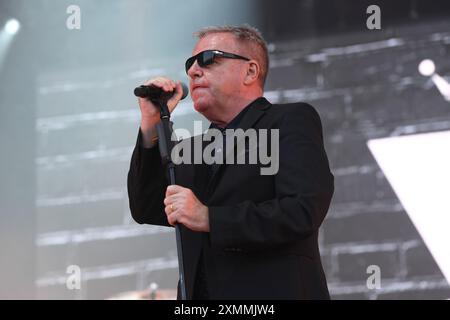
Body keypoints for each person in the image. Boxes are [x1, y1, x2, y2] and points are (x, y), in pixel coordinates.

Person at [127, 25, 334, 300]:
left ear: (250, 71)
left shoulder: (289, 120)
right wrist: (152, 123)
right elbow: (146, 206)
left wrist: (209, 218)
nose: (193, 71)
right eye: (190, 64)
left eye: (209, 59)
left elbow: (302, 209)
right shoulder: (193, 149)